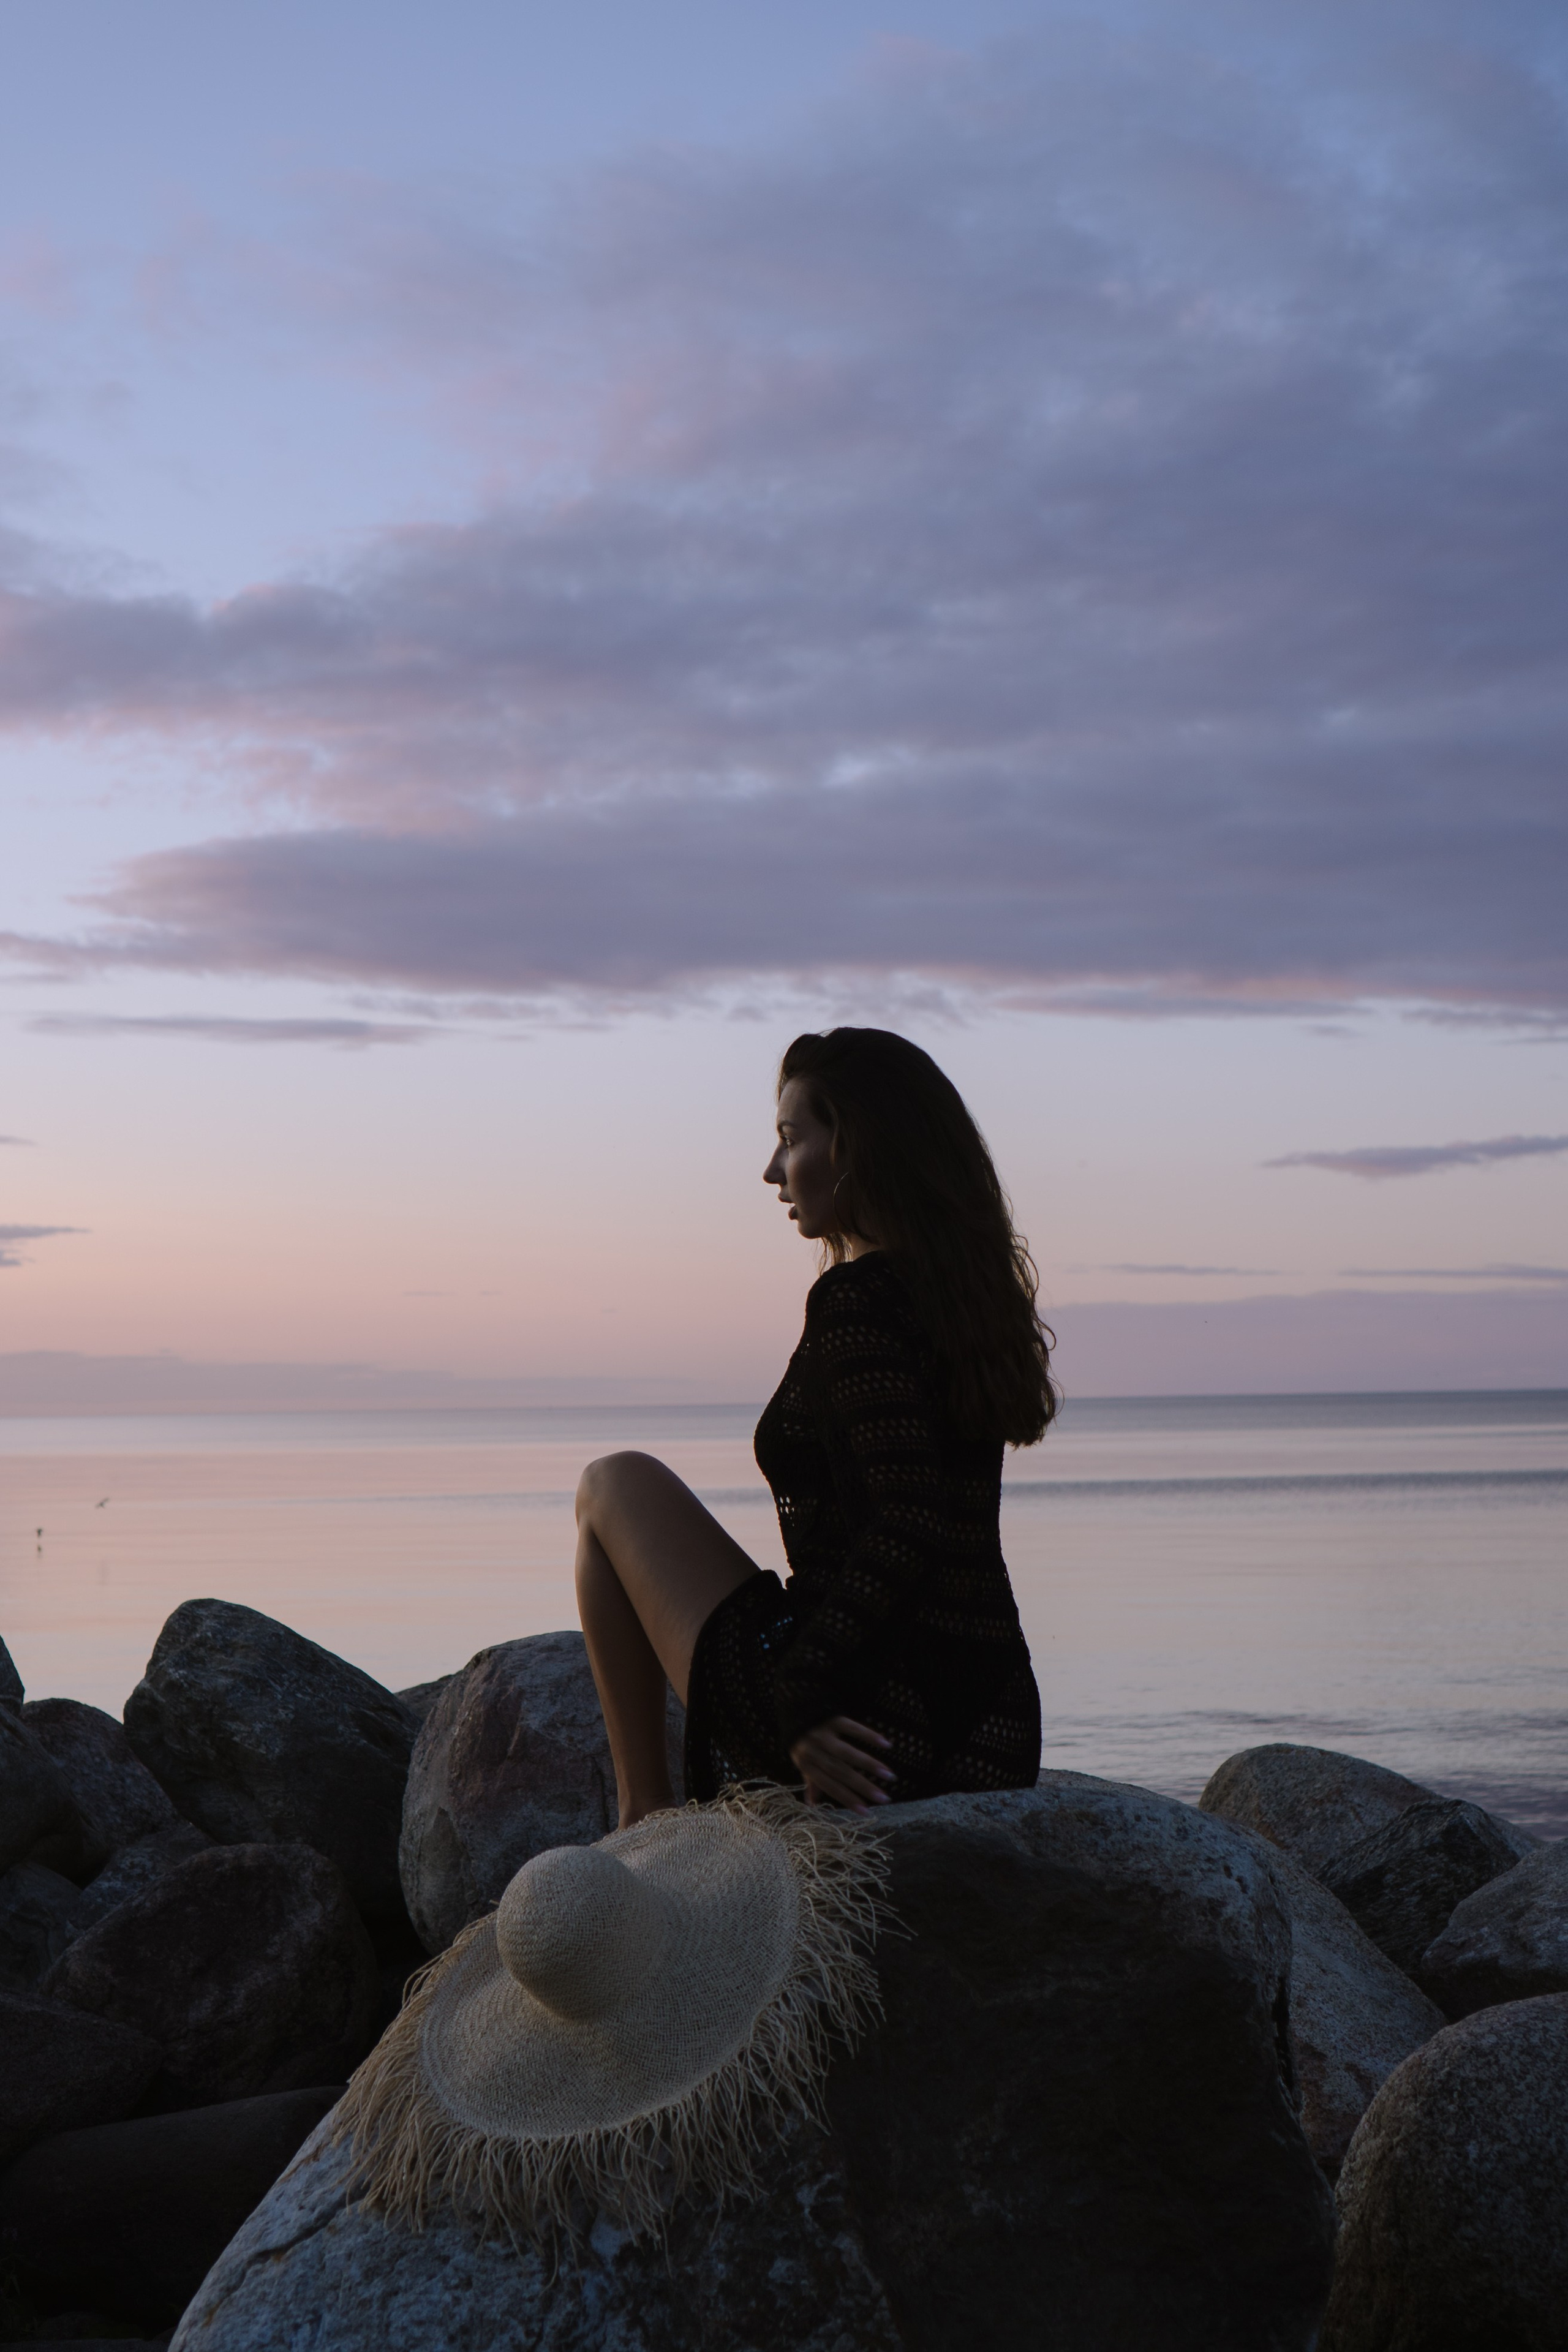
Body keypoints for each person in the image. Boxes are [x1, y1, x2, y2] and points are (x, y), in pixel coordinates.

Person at [574, 1026, 1056, 1824]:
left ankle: (644, 1817)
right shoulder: (961, 1303)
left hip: (860, 1719)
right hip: (994, 1727)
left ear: (858, 1148)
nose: (773, 1172)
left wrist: (804, 1693)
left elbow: (908, 1522)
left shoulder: (858, 1301)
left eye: (791, 1140)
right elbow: (930, 1521)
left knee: (611, 1484)